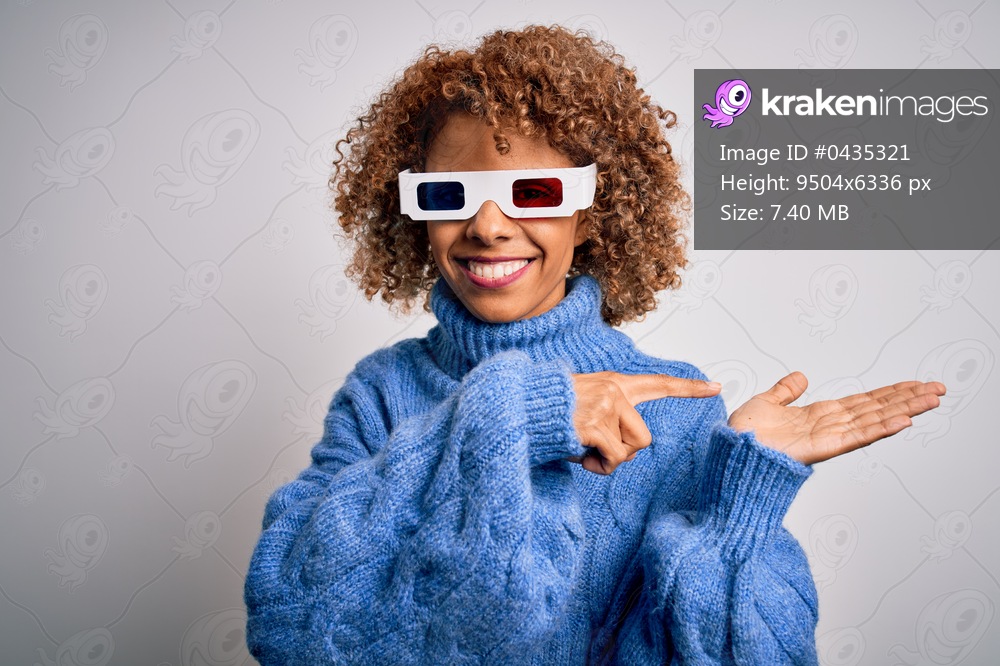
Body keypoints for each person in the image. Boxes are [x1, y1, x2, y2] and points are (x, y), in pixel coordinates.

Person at [243, 25, 945, 664]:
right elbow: (290, 622)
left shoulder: (676, 410)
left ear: (591, 215)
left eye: (537, 190)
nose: (488, 225)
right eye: (450, 193)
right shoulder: (381, 394)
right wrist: (516, 417)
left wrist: (740, 510)